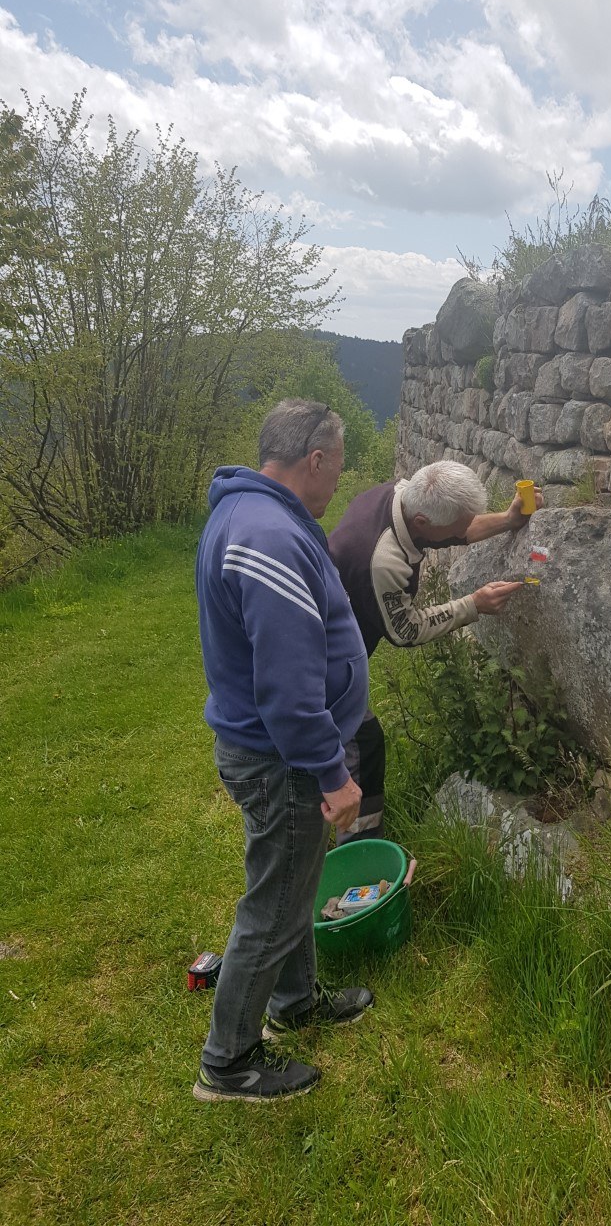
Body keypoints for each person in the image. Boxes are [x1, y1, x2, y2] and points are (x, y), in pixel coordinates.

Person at [192, 399, 374, 1103]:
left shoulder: (252, 513)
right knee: (273, 907)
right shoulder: (268, 537)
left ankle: (293, 1002)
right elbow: (289, 689)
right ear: (315, 460)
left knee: (293, 881)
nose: (339, 481)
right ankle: (228, 1061)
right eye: (339, 466)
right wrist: (333, 773)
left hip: (272, 753)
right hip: (282, 759)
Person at [327, 460, 542, 843]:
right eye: (456, 527)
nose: (461, 533)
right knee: (359, 744)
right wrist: (473, 605)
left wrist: (508, 520)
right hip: (325, 666)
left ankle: (356, 829)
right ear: (423, 521)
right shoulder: (382, 560)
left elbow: (454, 530)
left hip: (336, 644)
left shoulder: (403, 495)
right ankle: (360, 848)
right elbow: (406, 630)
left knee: (364, 741)